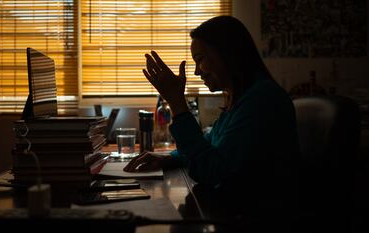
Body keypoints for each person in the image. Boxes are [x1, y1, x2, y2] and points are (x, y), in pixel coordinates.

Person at [124, 16, 300, 211]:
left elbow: (211, 171)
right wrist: (169, 158)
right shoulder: (240, 97)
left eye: (200, 60)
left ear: (228, 52)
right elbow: (210, 144)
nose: (197, 72)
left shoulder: (261, 100)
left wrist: (177, 103)